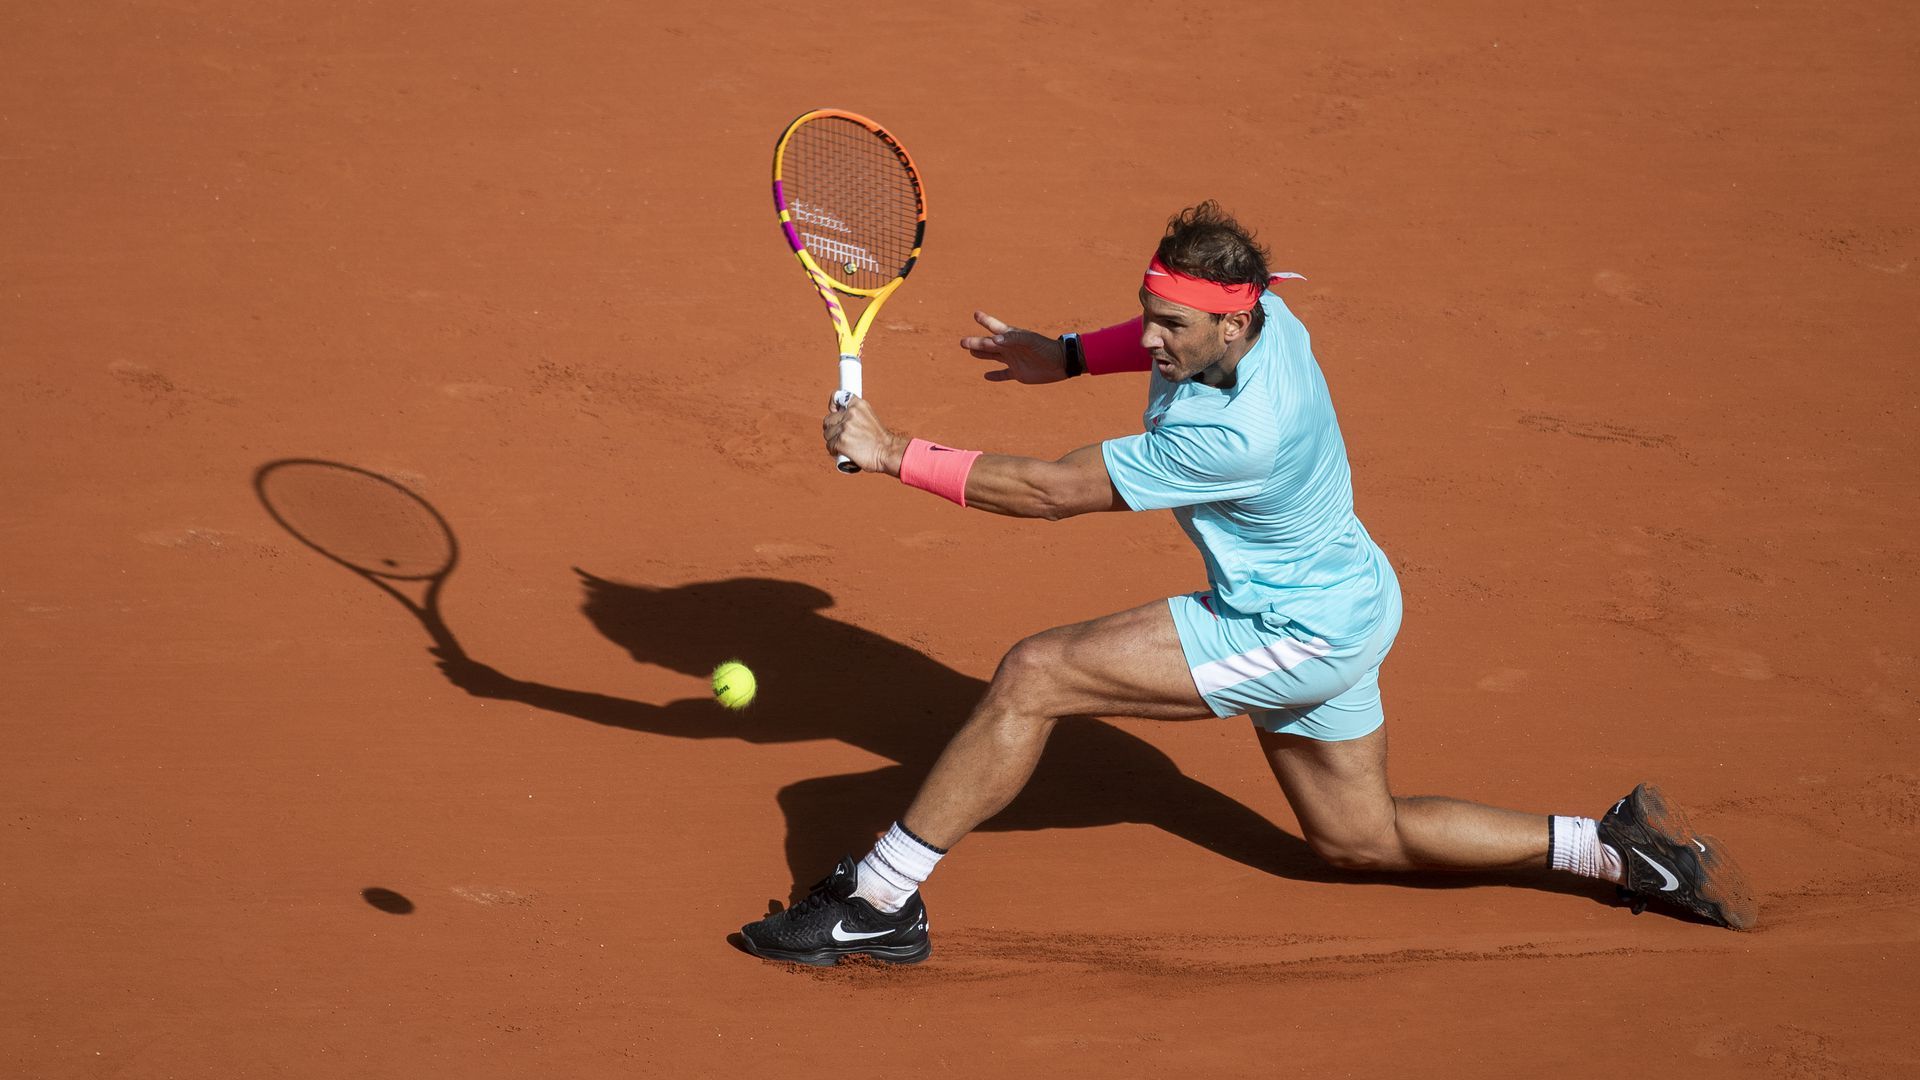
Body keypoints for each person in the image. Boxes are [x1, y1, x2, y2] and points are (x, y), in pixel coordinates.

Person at [737, 202, 1755, 967]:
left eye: (1174, 329)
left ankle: (880, 902)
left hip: (1290, 627)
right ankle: (1615, 851)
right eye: (1150, 317)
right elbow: (1160, 327)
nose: (1157, 341)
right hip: (1350, 601)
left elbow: (1050, 494)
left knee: (1035, 675)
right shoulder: (1261, 319)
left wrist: (890, 453)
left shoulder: (1238, 434)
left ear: (1231, 327)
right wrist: (1068, 353)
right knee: (1362, 841)